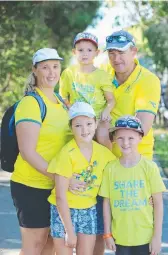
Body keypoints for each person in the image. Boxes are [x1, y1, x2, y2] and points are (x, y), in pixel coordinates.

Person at [10, 48, 72, 255]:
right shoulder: (31, 103)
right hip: (31, 185)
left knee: (51, 245)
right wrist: (59, 177)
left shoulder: (61, 103)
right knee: (34, 245)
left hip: (56, 189)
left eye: (55, 66)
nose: (51, 72)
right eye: (45, 67)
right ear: (35, 70)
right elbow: (27, 152)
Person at [47, 102, 116, 255]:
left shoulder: (103, 153)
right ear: (71, 128)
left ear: (96, 124)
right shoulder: (67, 153)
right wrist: (69, 231)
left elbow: (120, 173)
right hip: (64, 211)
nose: (85, 130)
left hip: (88, 209)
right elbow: (60, 197)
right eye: (78, 125)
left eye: (89, 124)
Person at [99, 115, 166, 255]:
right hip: (120, 238)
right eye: (120, 138)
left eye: (131, 138)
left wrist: (156, 237)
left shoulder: (149, 167)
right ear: (115, 139)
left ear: (140, 137)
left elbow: (159, 203)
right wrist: (107, 234)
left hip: (145, 237)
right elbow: (107, 203)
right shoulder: (110, 168)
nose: (125, 143)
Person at [101, 30, 161, 159]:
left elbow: (142, 127)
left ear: (134, 51)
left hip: (136, 160)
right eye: (111, 53)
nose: (116, 59)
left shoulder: (148, 80)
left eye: (121, 52)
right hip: (103, 159)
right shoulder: (102, 73)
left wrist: (101, 134)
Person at [59, 32, 115, 150]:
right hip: (78, 117)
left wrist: (106, 111)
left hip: (98, 118)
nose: (85, 54)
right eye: (80, 50)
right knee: (70, 142)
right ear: (74, 52)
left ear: (96, 53)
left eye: (89, 50)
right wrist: (71, 109)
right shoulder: (68, 73)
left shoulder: (102, 76)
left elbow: (111, 100)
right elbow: (63, 97)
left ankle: (109, 162)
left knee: (102, 137)